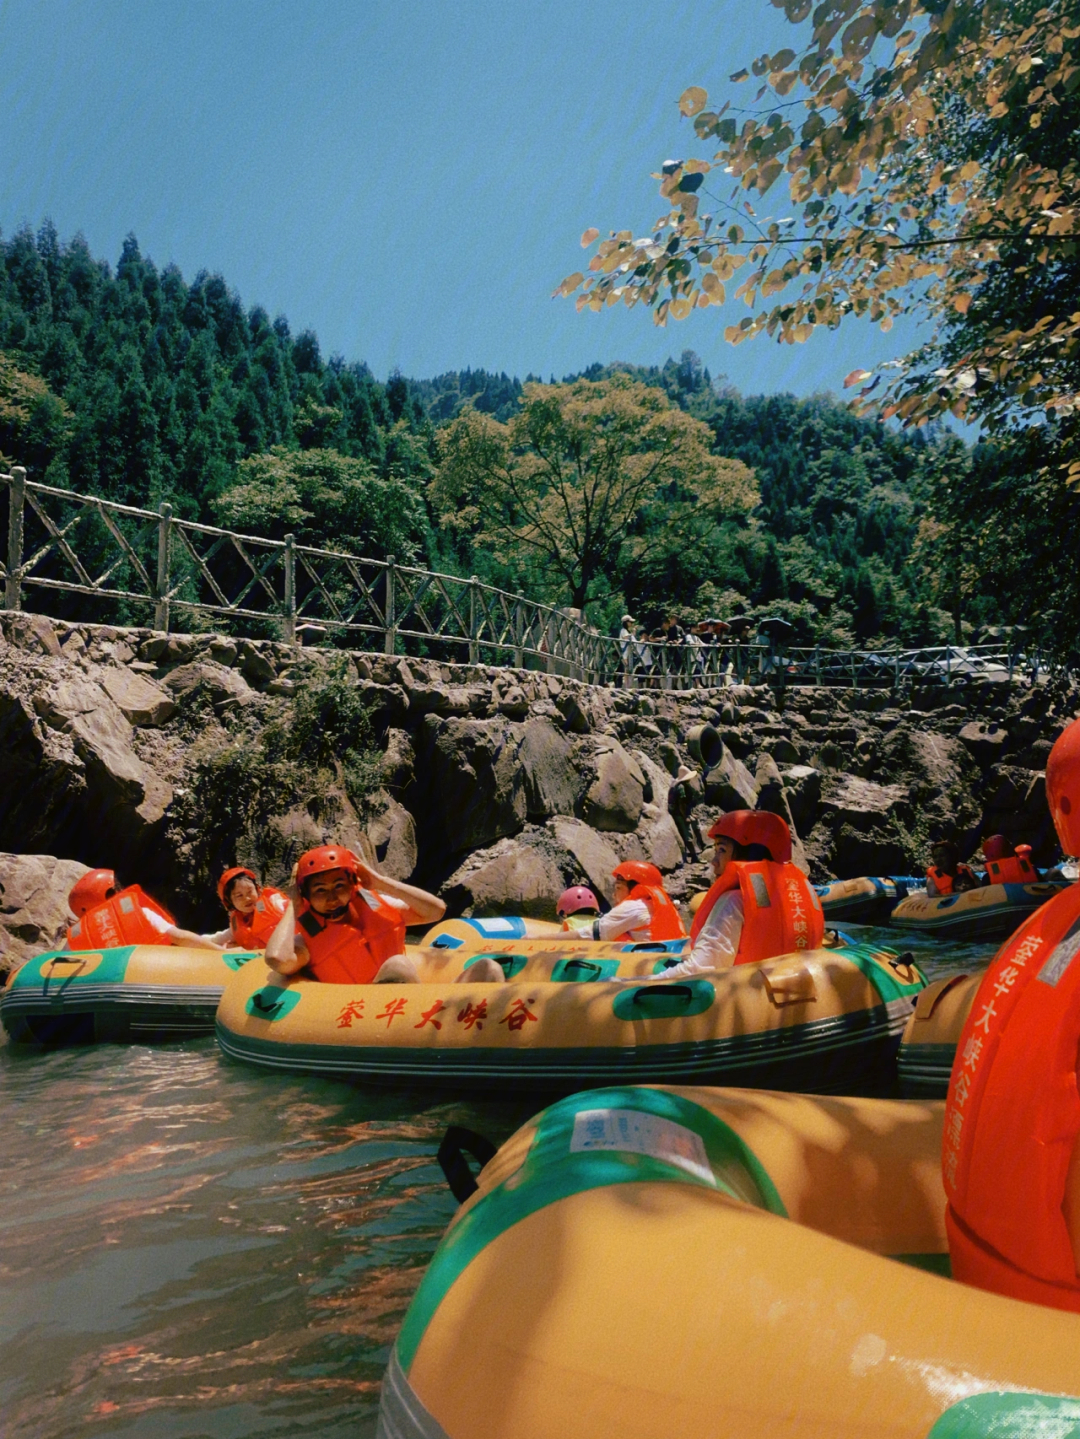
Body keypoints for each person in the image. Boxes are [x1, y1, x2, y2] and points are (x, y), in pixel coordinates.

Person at [649, 810, 823, 977]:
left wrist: (638, 983)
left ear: (747, 852)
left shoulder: (734, 901)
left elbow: (698, 970)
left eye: (722, 850)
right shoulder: (801, 893)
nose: (714, 862)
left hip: (747, 998)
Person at [264, 844, 446, 984]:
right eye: (320, 890)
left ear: (352, 886)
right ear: (306, 895)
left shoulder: (376, 908)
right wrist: (294, 905)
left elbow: (436, 911)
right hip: (357, 1019)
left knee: (399, 966)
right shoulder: (305, 940)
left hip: (398, 1007)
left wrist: (380, 882)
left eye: (339, 886)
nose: (332, 897)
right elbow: (277, 959)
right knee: (398, 965)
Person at [66, 868, 223, 951]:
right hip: (157, 975)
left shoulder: (75, 941)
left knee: (214, 938)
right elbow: (180, 937)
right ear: (109, 894)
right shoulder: (140, 914)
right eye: (117, 889)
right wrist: (222, 953)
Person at [566, 862, 686, 943]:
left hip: (647, 966)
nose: (614, 895)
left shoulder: (633, 907)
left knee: (614, 934)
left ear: (634, 888)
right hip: (670, 959)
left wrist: (547, 939)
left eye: (618, 888)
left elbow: (584, 936)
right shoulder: (663, 907)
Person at [202, 867, 290, 949]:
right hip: (263, 961)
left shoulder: (274, 903)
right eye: (239, 895)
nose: (247, 898)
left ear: (257, 889)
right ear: (229, 902)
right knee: (230, 946)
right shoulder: (237, 925)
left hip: (288, 954)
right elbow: (217, 938)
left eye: (250, 891)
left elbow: (294, 907)